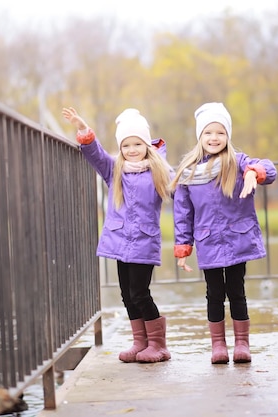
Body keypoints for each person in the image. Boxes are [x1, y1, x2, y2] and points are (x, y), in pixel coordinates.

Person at [62, 106, 172, 363]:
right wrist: (83, 129)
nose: (132, 150)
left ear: (146, 144)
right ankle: (140, 342)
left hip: (144, 242)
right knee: (126, 293)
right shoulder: (114, 170)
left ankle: (158, 344)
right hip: (119, 241)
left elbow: (182, 190)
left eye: (137, 144)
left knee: (140, 292)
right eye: (126, 145)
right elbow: (95, 154)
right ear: (120, 149)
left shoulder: (159, 171)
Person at [170, 102, 277, 364]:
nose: (214, 138)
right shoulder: (189, 172)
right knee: (214, 292)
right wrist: (183, 246)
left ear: (227, 135)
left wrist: (254, 173)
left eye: (220, 132)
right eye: (208, 133)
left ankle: (242, 344)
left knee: (237, 290)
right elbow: (183, 213)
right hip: (208, 241)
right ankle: (218, 345)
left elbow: (270, 168)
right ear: (200, 137)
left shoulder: (238, 162)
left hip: (237, 238)